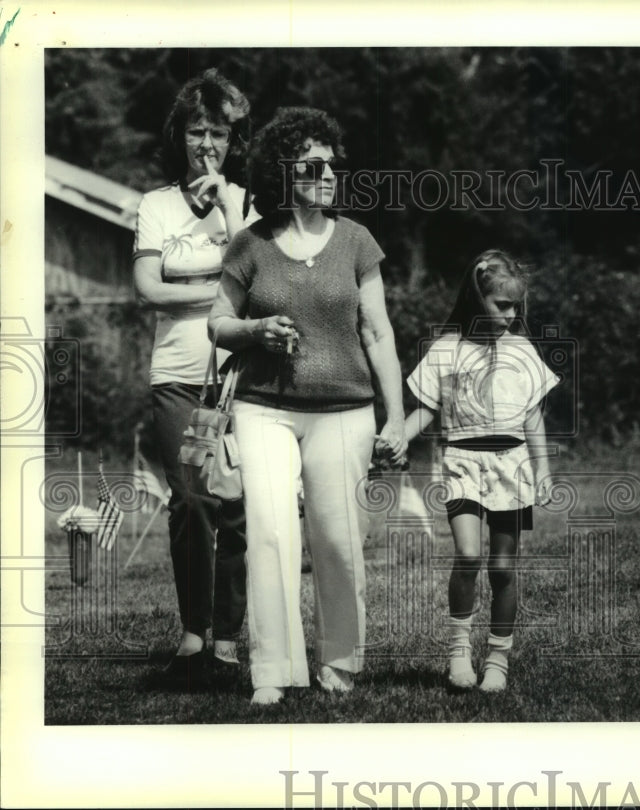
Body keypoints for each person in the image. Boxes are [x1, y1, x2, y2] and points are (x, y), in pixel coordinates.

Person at [208, 107, 406, 705]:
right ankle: (272, 670)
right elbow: (217, 324)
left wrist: (394, 416)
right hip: (263, 408)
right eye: (314, 164)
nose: (328, 174)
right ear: (282, 171)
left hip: (345, 409)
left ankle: (341, 661)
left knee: (338, 537)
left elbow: (378, 333)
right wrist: (256, 330)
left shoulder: (356, 241)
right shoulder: (251, 245)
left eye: (333, 164)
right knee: (269, 530)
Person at [132, 68, 254, 687]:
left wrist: (230, 208)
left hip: (237, 379)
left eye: (220, 135)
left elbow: (258, 281)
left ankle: (227, 642)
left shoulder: (246, 203)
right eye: (197, 132)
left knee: (236, 507)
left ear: (234, 142)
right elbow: (149, 288)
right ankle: (191, 636)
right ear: (180, 134)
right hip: (177, 376)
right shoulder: (155, 205)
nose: (207, 145)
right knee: (192, 499)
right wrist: (219, 293)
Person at [403, 250, 558, 692]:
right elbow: (426, 410)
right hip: (462, 462)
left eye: (516, 307)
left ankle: (497, 658)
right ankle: (458, 653)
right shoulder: (446, 350)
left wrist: (542, 469)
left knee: (504, 566)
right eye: (502, 305)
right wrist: (396, 435)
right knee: (469, 556)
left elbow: (533, 418)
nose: (511, 315)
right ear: (477, 299)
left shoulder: (522, 350)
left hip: (511, 465)